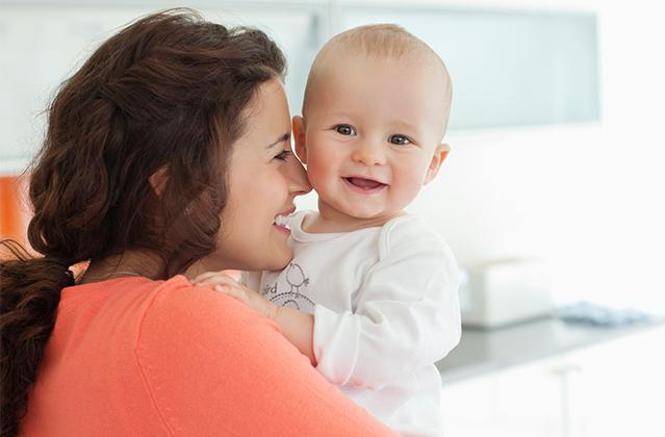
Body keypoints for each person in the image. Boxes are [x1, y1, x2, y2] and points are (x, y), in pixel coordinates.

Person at [0, 9, 395, 437]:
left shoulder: (67, 321)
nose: (303, 180)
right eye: (279, 154)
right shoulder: (179, 322)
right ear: (177, 185)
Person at [194, 24, 461, 437]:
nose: (370, 154)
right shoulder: (282, 237)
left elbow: (383, 351)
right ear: (301, 140)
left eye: (399, 139)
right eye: (345, 130)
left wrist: (269, 316)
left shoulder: (411, 251)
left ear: (432, 164)